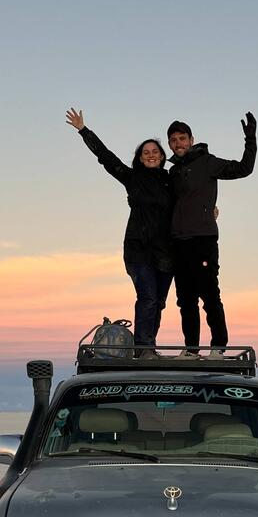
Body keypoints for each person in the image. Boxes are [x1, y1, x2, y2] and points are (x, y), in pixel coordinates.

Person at [65, 108, 174, 352]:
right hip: (138, 250)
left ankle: (149, 347)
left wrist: (211, 209)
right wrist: (84, 131)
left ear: (162, 155)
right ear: (140, 157)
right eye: (146, 152)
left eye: (155, 151)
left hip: (166, 252)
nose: (151, 155)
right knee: (147, 297)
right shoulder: (132, 177)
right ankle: (143, 348)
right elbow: (107, 157)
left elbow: (192, 197)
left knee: (159, 302)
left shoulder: (172, 180)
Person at [165, 113, 257, 353]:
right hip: (179, 242)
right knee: (185, 300)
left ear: (192, 140)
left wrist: (251, 139)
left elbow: (244, 169)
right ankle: (192, 349)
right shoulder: (172, 173)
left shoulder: (208, 162)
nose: (178, 143)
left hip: (203, 239)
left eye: (182, 138)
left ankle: (218, 346)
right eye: (173, 140)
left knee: (209, 294)